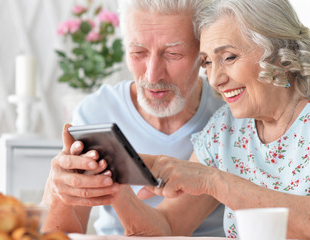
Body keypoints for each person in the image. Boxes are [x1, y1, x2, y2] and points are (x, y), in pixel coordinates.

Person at [104, 0, 310, 239]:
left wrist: (214, 181)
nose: (214, 80)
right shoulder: (225, 128)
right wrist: (116, 188)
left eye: (229, 57)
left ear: (278, 51)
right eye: (208, 63)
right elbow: (168, 226)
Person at [41, 0, 225, 236]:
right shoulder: (97, 112)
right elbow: (61, 232)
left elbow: (166, 228)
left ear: (203, 54)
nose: (152, 74)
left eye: (173, 54)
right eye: (138, 52)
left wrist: (116, 186)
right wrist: (58, 190)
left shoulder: (228, 114)